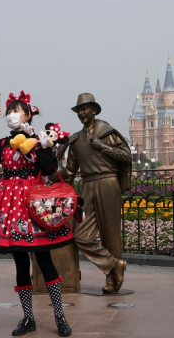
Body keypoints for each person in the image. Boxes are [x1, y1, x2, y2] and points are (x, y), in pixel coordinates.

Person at [0, 91, 73, 337]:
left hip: (32, 206)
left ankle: (60, 316)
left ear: (28, 115)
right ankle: (28, 318)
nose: (11, 115)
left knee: (45, 260)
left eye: (16, 111)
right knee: (20, 262)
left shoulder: (38, 140)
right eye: (9, 111)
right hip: (10, 207)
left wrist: (38, 144)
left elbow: (48, 170)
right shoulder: (2, 145)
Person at [61, 93, 132, 293]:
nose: (81, 113)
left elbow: (126, 156)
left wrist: (103, 147)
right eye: (79, 110)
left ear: (94, 110)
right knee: (79, 235)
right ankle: (114, 265)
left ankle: (112, 279)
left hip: (108, 183)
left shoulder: (107, 133)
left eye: (85, 109)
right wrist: (52, 164)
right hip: (88, 186)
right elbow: (69, 172)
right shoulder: (76, 140)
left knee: (110, 233)